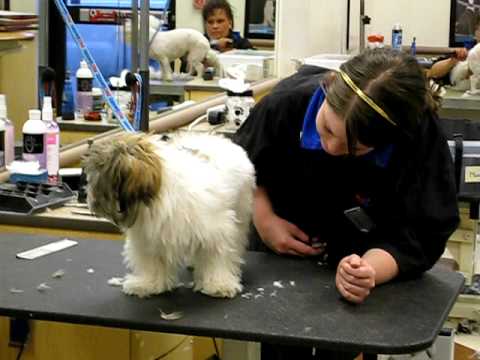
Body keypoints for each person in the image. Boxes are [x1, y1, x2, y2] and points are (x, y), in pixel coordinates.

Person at [234, 49, 459, 359]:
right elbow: (239, 164)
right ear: (328, 87)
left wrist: (369, 270)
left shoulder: (416, 133)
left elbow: (424, 229)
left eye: (356, 149)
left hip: (363, 254)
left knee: (345, 344)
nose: (331, 148)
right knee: (282, 344)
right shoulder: (285, 103)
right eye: (326, 129)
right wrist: (263, 218)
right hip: (282, 252)